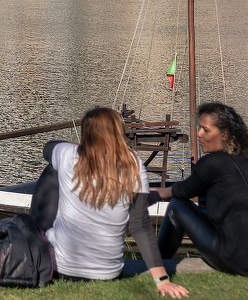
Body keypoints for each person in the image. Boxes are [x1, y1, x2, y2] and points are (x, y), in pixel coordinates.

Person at [45, 107, 188, 297]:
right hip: (108, 273)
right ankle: (156, 194)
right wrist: (162, 279)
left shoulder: (67, 154)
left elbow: (47, 147)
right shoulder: (133, 163)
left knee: (51, 171)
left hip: (62, 267)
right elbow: (140, 226)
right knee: (131, 200)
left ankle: (37, 226)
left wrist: (75, 147)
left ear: (86, 133)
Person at [156, 102, 248, 276]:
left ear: (224, 134)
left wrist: (155, 193)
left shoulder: (211, 163)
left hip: (240, 262)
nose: (198, 134)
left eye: (205, 130)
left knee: (177, 206)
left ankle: (156, 265)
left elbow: (180, 192)